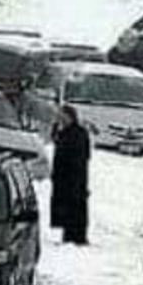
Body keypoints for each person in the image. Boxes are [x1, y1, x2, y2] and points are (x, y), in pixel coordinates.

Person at [50, 105, 91, 245]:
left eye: (62, 116)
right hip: (63, 177)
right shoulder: (64, 132)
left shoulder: (78, 133)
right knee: (66, 207)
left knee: (75, 205)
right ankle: (68, 236)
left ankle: (77, 237)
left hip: (73, 175)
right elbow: (56, 141)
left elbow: (80, 155)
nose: (59, 118)